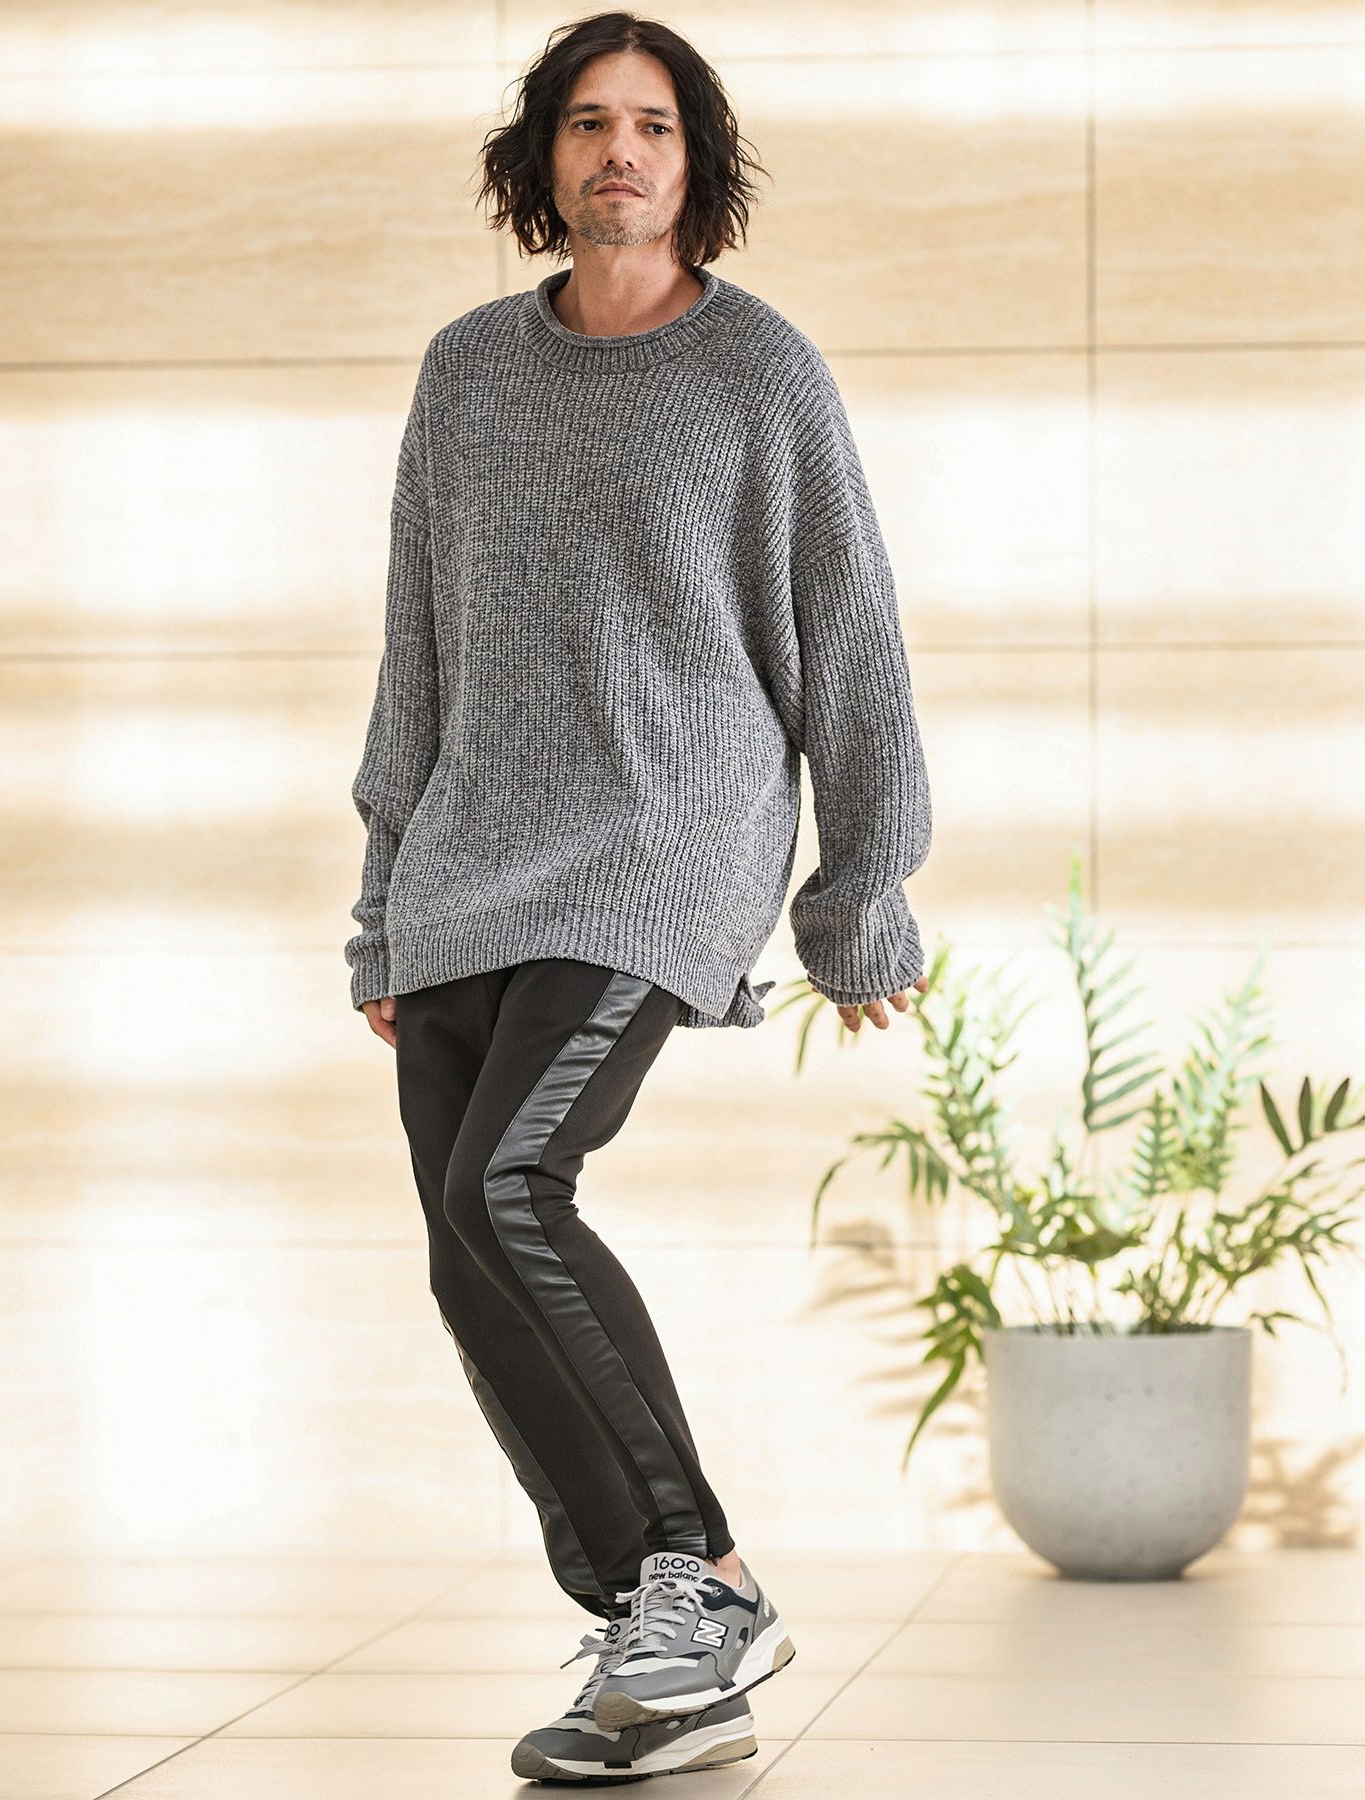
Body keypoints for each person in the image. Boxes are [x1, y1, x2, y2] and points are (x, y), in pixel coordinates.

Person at [344, 11, 932, 1785]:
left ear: (697, 162)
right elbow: (417, 642)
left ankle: (703, 1574)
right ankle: (654, 1649)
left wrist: (859, 895)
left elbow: (851, 638)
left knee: (511, 1185)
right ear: (544, 159)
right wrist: (384, 897)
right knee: (466, 1250)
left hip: (665, 840)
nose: (621, 152)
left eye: (655, 126)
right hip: (471, 853)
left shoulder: (762, 373)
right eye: (590, 123)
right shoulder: (468, 370)